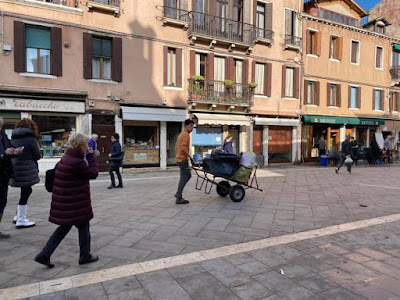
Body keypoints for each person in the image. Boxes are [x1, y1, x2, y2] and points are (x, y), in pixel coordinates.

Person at [34, 133, 99, 268]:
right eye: (86, 144)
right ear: (81, 145)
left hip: (67, 202)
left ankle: (44, 254)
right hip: (75, 203)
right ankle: (84, 256)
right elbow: (93, 173)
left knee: (65, 227)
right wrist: (91, 157)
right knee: (83, 227)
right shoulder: (77, 162)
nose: (88, 147)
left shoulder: (66, 158)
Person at [10, 119, 41, 229]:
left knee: (25, 191)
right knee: (26, 191)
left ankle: (17, 216)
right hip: (27, 169)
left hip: (15, 168)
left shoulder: (13, 138)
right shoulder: (31, 139)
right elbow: (37, 155)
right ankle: (21, 219)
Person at [0, 118, 23, 238]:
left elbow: (7, 148)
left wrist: (14, 152)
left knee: (2, 201)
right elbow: (3, 152)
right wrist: (4, 153)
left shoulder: (2, 135)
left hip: (4, 173)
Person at [174, 119, 194, 204]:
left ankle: (178, 195)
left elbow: (176, 147)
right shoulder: (186, 135)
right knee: (186, 175)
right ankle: (178, 195)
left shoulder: (181, 134)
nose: (192, 128)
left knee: (186, 175)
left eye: (193, 126)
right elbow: (183, 148)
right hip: (183, 160)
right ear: (186, 126)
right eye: (191, 126)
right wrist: (190, 157)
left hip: (180, 159)